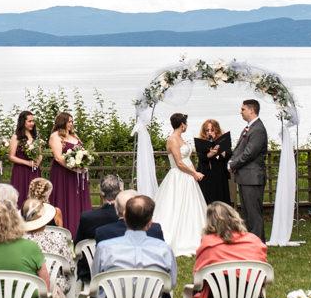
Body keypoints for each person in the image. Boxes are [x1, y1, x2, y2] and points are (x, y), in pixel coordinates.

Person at [90, 195, 176, 298]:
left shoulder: (104, 248)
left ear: (124, 218)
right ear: (149, 223)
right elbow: (170, 284)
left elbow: (94, 282)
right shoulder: (164, 249)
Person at [81, 189, 165, 281]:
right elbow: (167, 276)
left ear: (117, 210)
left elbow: (96, 275)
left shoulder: (102, 233)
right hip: (152, 292)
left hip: (112, 292)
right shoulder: (155, 229)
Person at [155, 112, 208, 256]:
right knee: (176, 206)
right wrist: (194, 173)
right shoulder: (172, 139)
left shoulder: (181, 138)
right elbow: (179, 163)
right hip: (179, 177)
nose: (186, 126)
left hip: (188, 178)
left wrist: (193, 172)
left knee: (191, 206)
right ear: (182, 124)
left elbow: (187, 160)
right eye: (186, 123)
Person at [23, 199, 73, 298]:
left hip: (25, 285)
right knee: (66, 279)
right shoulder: (59, 237)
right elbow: (69, 267)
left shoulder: (20, 240)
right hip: (53, 285)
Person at [227, 99, 268, 240]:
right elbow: (240, 149)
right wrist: (231, 160)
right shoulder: (250, 127)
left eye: (243, 109)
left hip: (253, 178)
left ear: (251, 110)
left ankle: (257, 243)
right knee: (247, 212)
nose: (241, 112)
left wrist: (233, 165)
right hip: (245, 177)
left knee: (254, 213)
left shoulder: (258, 129)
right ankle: (250, 242)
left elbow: (249, 153)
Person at [47, 111, 90, 237]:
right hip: (63, 174)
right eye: (69, 121)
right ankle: (66, 230)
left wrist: (84, 163)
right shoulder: (56, 136)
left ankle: (80, 230)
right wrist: (73, 168)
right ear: (62, 122)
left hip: (77, 175)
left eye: (72, 121)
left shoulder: (75, 136)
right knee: (65, 199)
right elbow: (58, 157)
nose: (71, 124)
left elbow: (83, 152)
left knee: (78, 200)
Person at [77, 174, 125, 243]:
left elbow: (78, 244)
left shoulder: (86, 217)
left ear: (101, 195)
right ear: (120, 193)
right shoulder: (126, 217)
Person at [7, 110, 42, 200]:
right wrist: (27, 163)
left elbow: (40, 154)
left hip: (34, 171)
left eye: (33, 121)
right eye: (29, 121)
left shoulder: (35, 137)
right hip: (21, 171)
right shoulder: (16, 137)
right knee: (22, 194)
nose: (32, 123)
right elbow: (11, 156)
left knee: (35, 196)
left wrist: (38, 161)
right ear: (23, 122)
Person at [196, 119, 232, 205]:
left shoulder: (222, 140)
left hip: (220, 175)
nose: (209, 132)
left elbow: (229, 155)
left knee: (221, 199)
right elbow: (201, 158)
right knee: (207, 199)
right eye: (207, 130)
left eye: (212, 130)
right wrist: (210, 154)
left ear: (217, 130)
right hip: (206, 175)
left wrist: (220, 150)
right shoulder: (201, 142)